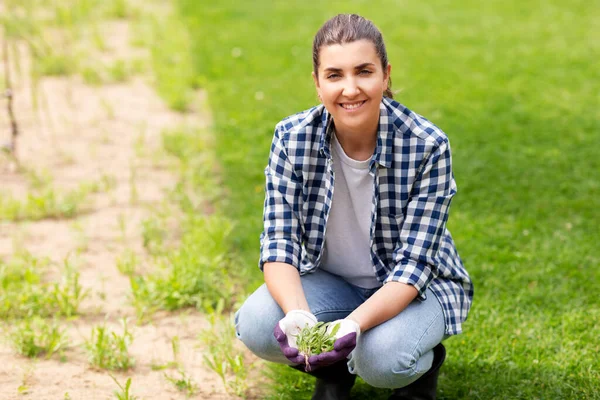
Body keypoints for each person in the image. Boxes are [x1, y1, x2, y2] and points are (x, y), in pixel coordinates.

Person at [234, 13, 473, 400]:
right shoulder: (291, 138)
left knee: (381, 361)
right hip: (335, 283)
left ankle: (419, 372)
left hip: (415, 290)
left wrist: (354, 325)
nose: (350, 88)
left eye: (364, 71)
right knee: (259, 325)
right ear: (317, 83)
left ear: (386, 75)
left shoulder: (427, 144)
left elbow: (413, 267)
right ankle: (335, 373)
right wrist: (299, 315)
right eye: (334, 75)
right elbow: (279, 242)